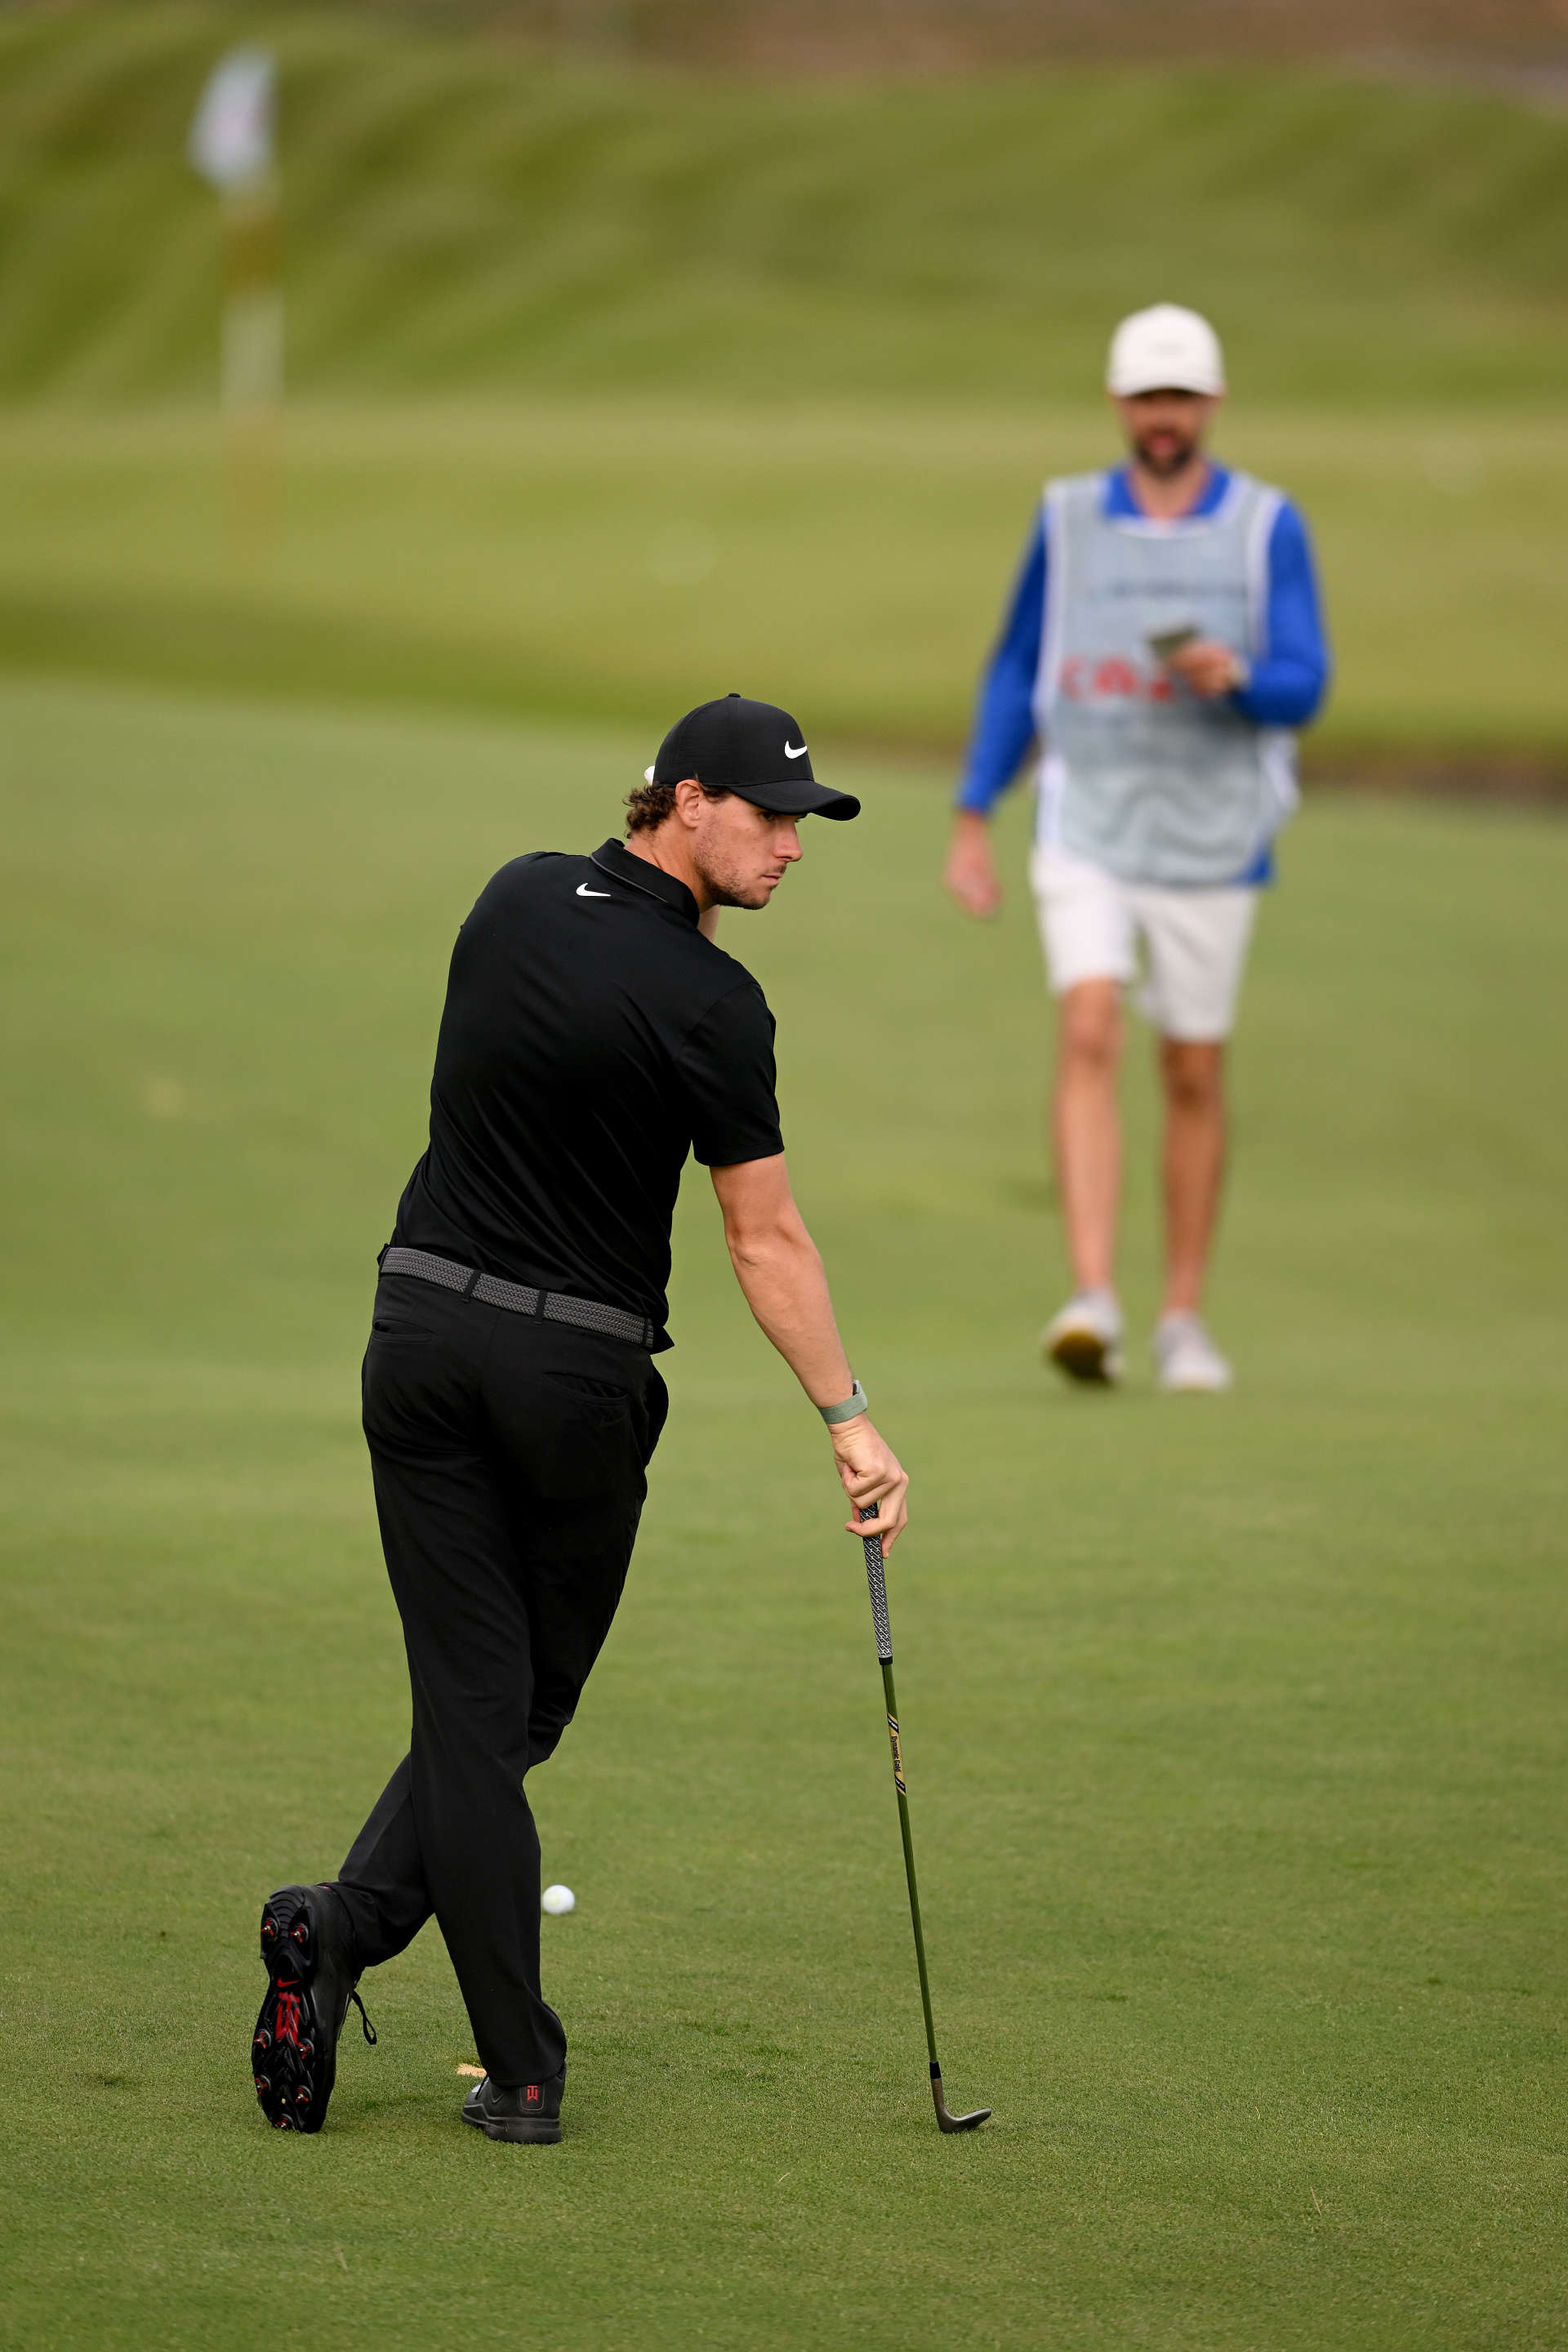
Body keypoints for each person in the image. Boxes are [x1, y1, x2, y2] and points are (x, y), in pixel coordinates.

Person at [250, 693, 909, 2144]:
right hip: (570, 1380)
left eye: (804, 822)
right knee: (508, 1715)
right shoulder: (717, 1007)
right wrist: (849, 1420)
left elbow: (583, 996)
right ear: (682, 799)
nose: (793, 845)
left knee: (475, 1713)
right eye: (767, 816)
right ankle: (522, 2071)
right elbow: (765, 1242)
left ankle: (341, 1927)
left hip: (415, 1335)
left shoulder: (513, 896)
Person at [943, 304, 1329, 1390]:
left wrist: (1239, 676)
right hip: (1089, 820)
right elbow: (1019, 667)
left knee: (1192, 1065)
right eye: (1147, 397)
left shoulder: (1265, 524)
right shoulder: (1066, 518)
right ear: (1120, 403)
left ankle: (1183, 1316)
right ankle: (1093, 1298)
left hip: (1216, 835)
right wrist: (976, 808)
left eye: (1182, 398)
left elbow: (1308, 679)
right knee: (1090, 1022)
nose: (1164, 417)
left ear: (1210, 405)